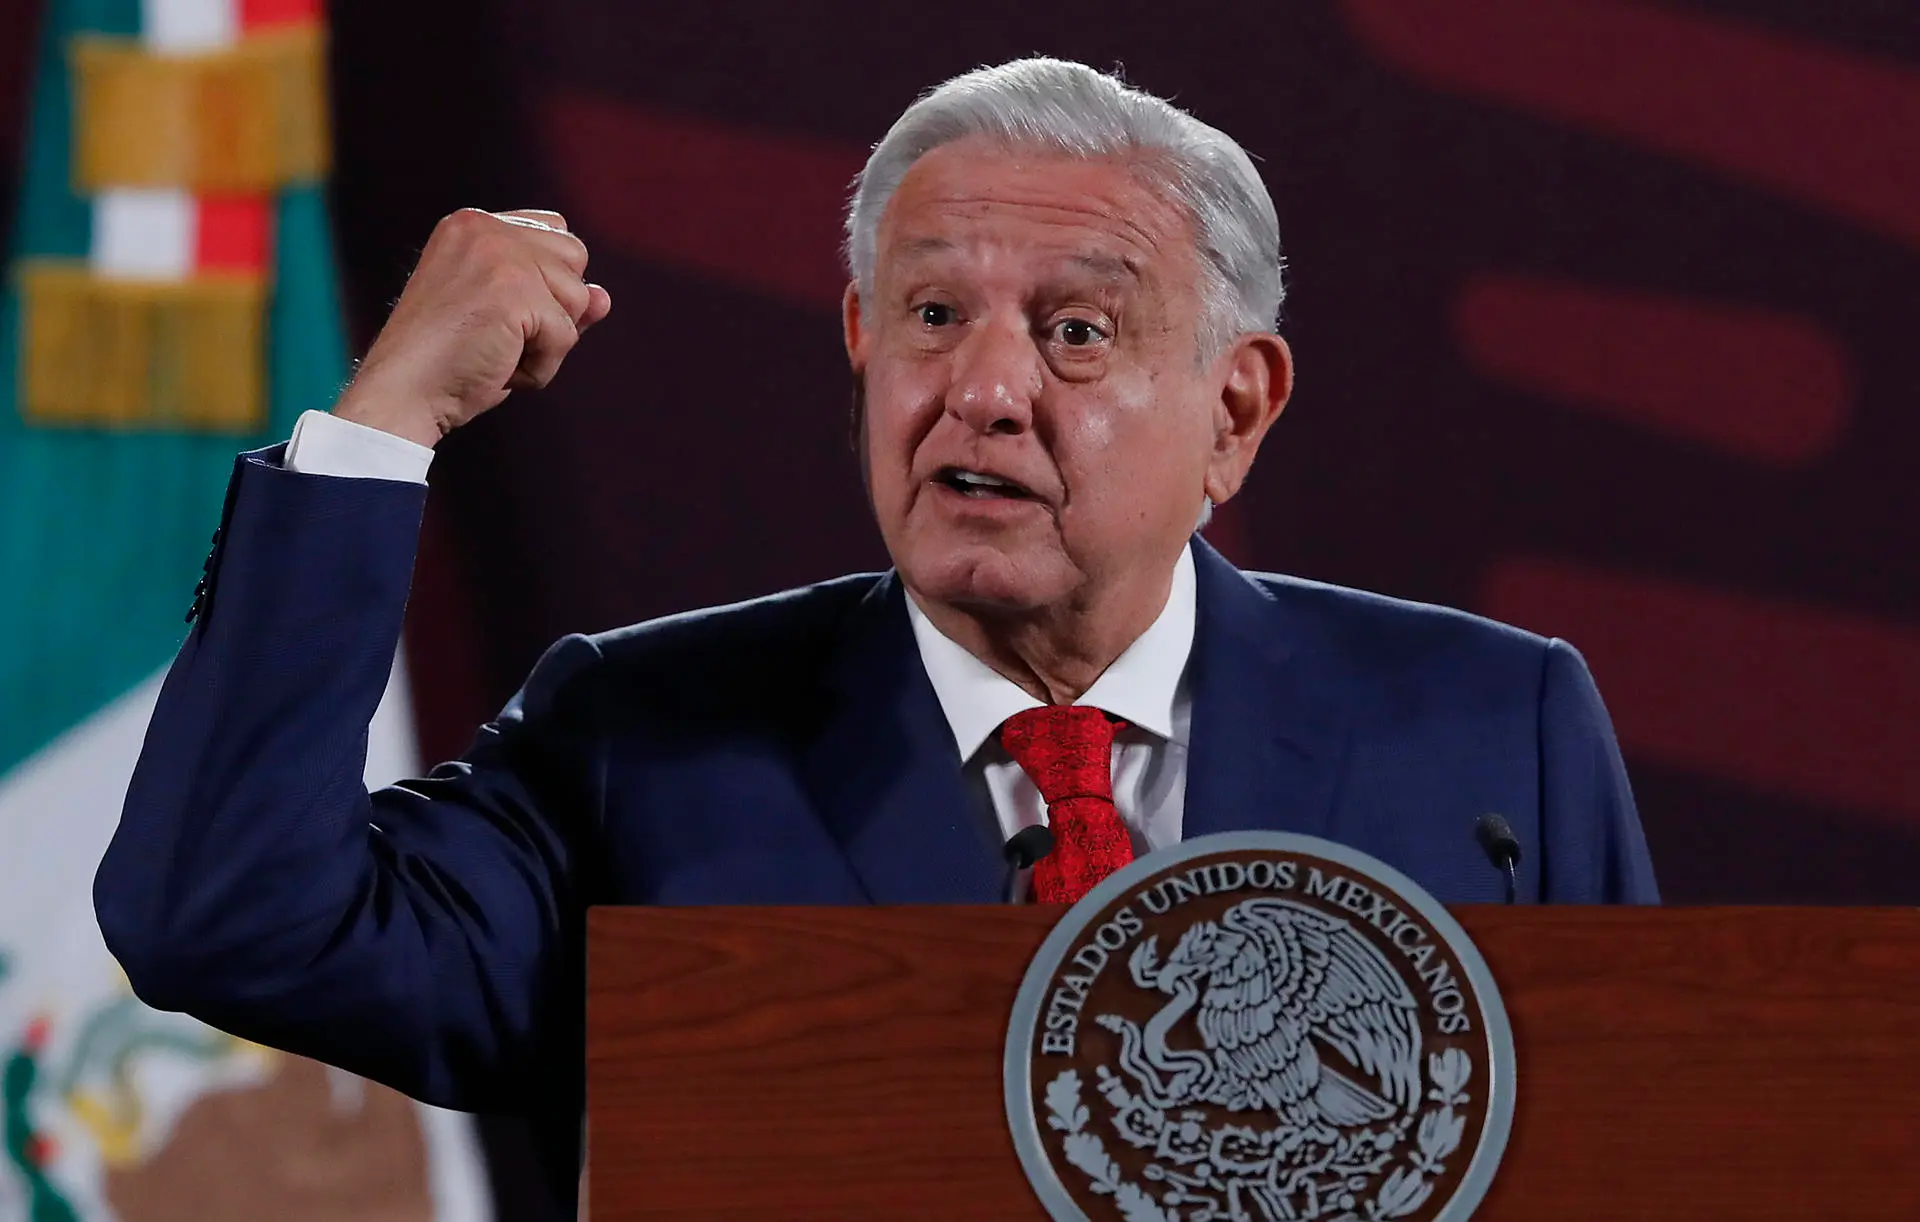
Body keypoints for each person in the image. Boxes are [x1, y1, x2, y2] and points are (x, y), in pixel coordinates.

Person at [94, 57, 1656, 1208]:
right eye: (929, 315)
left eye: (1076, 330)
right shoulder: (642, 742)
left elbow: (1654, 1163)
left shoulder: (1487, 735)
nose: (982, 389)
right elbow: (228, 918)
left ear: (1235, 410)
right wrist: (382, 425)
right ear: (861, 344)